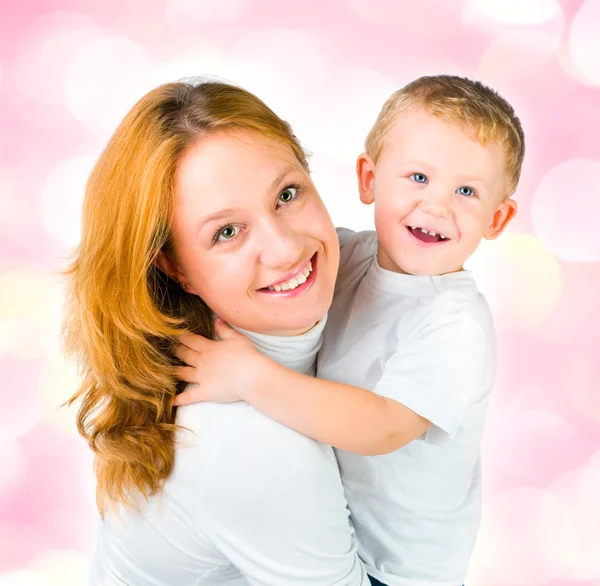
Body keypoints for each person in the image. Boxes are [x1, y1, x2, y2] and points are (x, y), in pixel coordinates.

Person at [173, 75, 525, 586]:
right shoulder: (348, 255)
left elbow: (381, 427)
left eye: (467, 191)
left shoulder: (455, 326)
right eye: (418, 178)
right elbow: (263, 281)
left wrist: (250, 379)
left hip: (400, 571)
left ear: (497, 218)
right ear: (368, 179)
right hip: (330, 528)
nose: (437, 206)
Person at [64, 79, 369, 585]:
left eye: (287, 195)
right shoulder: (249, 446)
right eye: (226, 232)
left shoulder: (356, 282)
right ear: (174, 267)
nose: (285, 248)